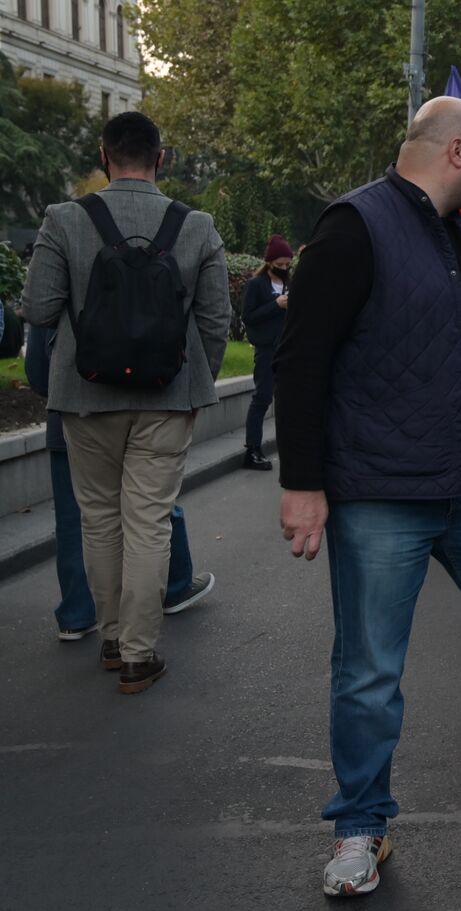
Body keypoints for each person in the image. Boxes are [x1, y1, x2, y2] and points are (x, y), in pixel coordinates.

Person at [273, 97, 461, 898]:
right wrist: (303, 483)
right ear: (456, 152)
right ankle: (360, 823)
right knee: (367, 669)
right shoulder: (351, 229)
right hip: (379, 491)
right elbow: (302, 361)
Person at [19, 111, 230, 695]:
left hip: (86, 399)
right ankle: (140, 655)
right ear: (161, 159)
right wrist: (198, 386)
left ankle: (111, 639)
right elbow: (216, 320)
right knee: (149, 522)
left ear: (104, 156)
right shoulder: (196, 225)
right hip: (166, 399)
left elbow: (38, 310)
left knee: (100, 521)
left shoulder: (64, 219)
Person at [25, 323, 216, 642]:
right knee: (152, 511)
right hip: (151, 405)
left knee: (82, 520)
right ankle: (169, 593)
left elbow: (36, 370)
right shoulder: (157, 277)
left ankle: (79, 613)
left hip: (75, 415)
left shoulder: (63, 279)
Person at [241, 234, 293, 470]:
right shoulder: (257, 285)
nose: (283, 268)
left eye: (286, 265)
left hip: (288, 348)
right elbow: (248, 316)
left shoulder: (289, 283)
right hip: (266, 349)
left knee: (289, 400)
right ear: (269, 262)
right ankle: (252, 449)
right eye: (279, 264)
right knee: (262, 398)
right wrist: (275, 305)